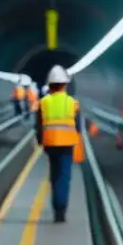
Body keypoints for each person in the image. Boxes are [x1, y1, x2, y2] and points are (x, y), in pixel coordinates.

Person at [36, 65, 83, 223]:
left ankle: (56, 206)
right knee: (64, 176)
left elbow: (38, 126)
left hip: (50, 144)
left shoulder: (43, 102)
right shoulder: (73, 103)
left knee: (54, 175)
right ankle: (60, 210)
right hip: (67, 144)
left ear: (50, 85)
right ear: (65, 84)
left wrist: (40, 141)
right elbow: (78, 126)